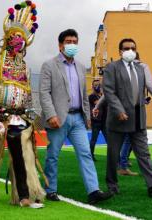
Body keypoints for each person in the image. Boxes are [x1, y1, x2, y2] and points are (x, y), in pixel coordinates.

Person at [0, 1, 45, 208]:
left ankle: (24, 195)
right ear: (6, 39)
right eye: (14, 37)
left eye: (22, 38)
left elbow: (28, 94)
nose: (18, 41)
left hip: (18, 117)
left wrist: (30, 117)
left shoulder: (25, 68)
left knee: (22, 156)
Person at [39, 29, 113, 205]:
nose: (71, 44)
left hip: (78, 118)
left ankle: (93, 191)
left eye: (74, 41)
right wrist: (50, 115)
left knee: (85, 153)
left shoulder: (80, 67)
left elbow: (83, 93)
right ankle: (50, 189)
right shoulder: (49, 65)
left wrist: (87, 116)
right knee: (53, 155)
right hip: (57, 119)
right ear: (60, 45)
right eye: (68, 41)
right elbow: (44, 93)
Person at [102, 38, 152, 197]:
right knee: (113, 156)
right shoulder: (112, 68)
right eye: (126, 48)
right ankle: (112, 186)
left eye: (133, 48)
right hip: (118, 119)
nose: (130, 51)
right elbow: (109, 91)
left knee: (144, 153)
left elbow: (145, 90)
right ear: (120, 51)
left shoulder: (140, 69)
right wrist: (118, 109)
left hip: (138, 118)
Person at [88, 79, 107, 161]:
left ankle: (113, 157)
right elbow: (98, 103)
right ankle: (90, 155)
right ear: (92, 86)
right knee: (94, 139)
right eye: (95, 85)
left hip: (104, 121)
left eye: (99, 85)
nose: (97, 87)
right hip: (96, 121)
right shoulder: (92, 96)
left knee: (109, 139)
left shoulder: (102, 95)